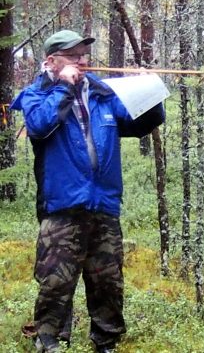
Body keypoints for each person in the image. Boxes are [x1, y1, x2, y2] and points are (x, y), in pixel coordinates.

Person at [10, 30, 165, 353]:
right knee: (56, 281)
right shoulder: (36, 94)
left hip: (104, 204)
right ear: (52, 62)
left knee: (107, 281)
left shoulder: (101, 93)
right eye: (73, 55)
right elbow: (39, 125)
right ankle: (50, 340)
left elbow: (140, 124)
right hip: (62, 206)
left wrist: (151, 92)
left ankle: (106, 342)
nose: (81, 60)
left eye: (83, 54)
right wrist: (64, 87)